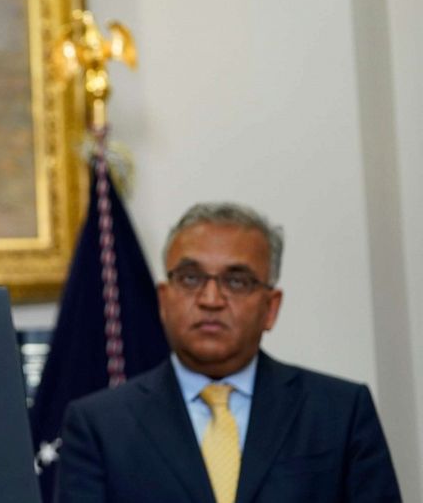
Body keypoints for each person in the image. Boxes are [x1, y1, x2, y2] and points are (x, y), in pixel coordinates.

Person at [55, 202, 400, 503]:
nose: (210, 300)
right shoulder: (100, 426)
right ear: (163, 300)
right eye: (190, 278)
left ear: (271, 308)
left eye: (236, 281)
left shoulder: (339, 413)